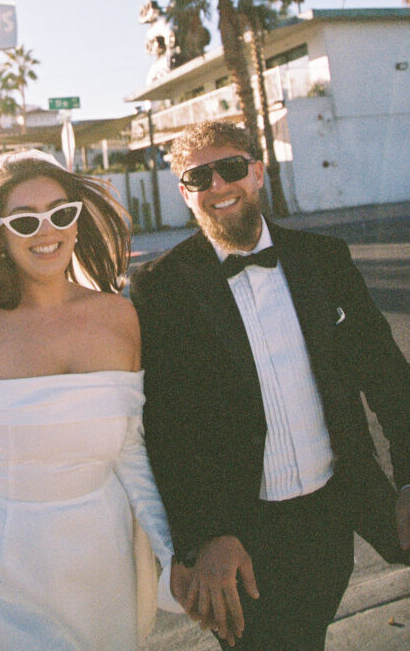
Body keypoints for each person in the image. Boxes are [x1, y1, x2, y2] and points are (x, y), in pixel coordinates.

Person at [130, 120, 410, 650]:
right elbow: (166, 428)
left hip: (336, 504)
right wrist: (203, 537)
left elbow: (389, 378)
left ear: (257, 172)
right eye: (198, 178)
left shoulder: (323, 259)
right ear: (185, 194)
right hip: (243, 538)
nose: (218, 186)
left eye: (231, 168)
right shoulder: (160, 289)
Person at [0, 149, 177, 651]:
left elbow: (130, 451)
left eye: (60, 214)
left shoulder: (118, 317)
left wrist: (173, 555)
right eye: (25, 220)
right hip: (4, 559)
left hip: (104, 556)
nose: (47, 232)